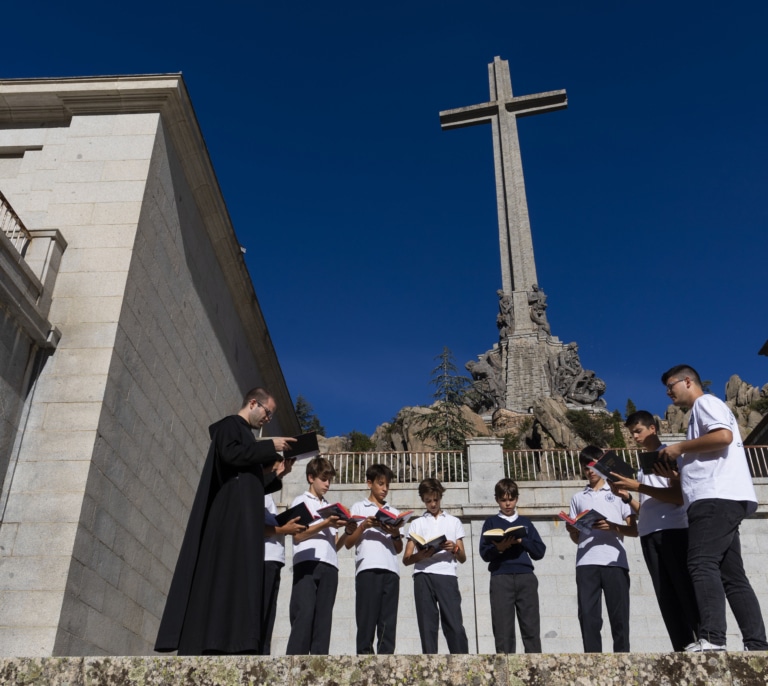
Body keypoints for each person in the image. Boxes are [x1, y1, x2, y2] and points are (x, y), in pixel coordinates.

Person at [154, 387, 297, 654]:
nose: (268, 419)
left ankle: (234, 641)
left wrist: (278, 475)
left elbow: (247, 483)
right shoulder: (231, 426)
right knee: (223, 577)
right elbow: (231, 455)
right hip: (229, 520)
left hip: (241, 519)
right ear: (253, 403)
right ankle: (216, 641)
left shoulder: (247, 439)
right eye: (268, 413)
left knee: (238, 579)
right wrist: (270, 446)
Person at [659, 365, 768, 651]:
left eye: (671, 386)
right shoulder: (700, 413)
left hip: (715, 499)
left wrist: (679, 448)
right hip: (724, 499)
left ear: (687, 381)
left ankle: (713, 638)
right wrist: (678, 471)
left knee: (700, 562)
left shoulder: (705, 403)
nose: (668, 392)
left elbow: (723, 437)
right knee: (732, 576)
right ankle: (757, 644)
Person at [609, 411, 699, 651]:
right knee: (664, 594)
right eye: (631, 433)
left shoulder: (670, 456)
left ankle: (703, 639)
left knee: (683, 587)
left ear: (652, 429)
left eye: (638, 431)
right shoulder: (643, 464)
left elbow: (678, 497)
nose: (635, 437)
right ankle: (682, 646)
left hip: (673, 530)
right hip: (649, 533)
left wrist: (637, 486)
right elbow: (647, 505)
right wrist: (628, 496)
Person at [566, 446, 637, 653]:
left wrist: (613, 527)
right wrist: (572, 529)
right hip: (586, 562)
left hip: (615, 561)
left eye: (594, 465)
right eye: (586, 467)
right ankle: (591, 661)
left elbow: (634, 530)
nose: (590, 471)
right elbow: (576, 537)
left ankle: (623, 659)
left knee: (620, 616)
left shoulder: (618, 493)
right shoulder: (578, 498)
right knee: (588, 616)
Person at [285, 456, 356, 655]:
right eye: (323, 479)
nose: (327, 484)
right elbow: (298, 535)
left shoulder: (330, 507)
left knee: (323, 620)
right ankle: (294, 664)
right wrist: (325, 523)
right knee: (304, 614)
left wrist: (347, 531)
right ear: (311, 478)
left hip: (330, 565)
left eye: (329, 480)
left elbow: (335, 544)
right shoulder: (301, 501)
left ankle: (319, 665)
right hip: (307, 563)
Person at [479, 479, 546, 653]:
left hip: (525, 577)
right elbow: (484, 554)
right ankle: (505, 673)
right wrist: (498, 548)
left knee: (530, 626)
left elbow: (539, 552)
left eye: (511, 499)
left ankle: (534, 670)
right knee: (503, 629)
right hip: (501, 577)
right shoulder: (490, 523)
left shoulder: (526, 522)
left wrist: (521, 540)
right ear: (497, 500)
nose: (507, 504)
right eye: (503, 500)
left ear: (517, 499)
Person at [403, 478, 469, 654]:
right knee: (427, 625)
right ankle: (429, 665)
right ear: (423, 500)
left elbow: (463, 557)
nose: (432, 504)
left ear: (440, 497)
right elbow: (406, 558)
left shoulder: (454, 522)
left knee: (454, 624)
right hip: (423, 575)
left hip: (447, 576)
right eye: (428, 501)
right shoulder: (417, 523)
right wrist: (420, 555)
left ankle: (462, 661)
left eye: (435, 500)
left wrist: (454, 548)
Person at [344, 464, 404, 654]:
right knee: (366, 618)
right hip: (367, 569)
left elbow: (399, 548)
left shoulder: (393, 512)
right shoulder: (358, 507)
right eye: (380, 484)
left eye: (387, 485)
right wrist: (364, 526)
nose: (385, 489)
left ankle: (386, 661)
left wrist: (395, 533)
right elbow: (348, 543)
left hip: (391, 570)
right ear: (369, 483)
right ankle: (364, 659)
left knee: (388, 621)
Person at [261, 457, 306, 655]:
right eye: (275, 466)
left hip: (274, 560)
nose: (279, 469)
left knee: (269, 613)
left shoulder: (267, 497)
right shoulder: (256, 492)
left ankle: (263, 654)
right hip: (262, 559)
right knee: (260, 612)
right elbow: (257, 526)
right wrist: (283, 528)